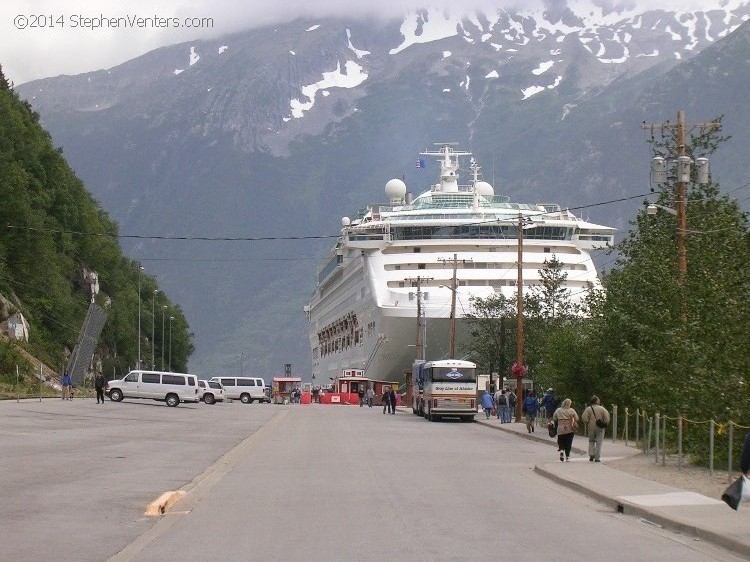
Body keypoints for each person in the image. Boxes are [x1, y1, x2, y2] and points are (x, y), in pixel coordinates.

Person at [581, 395, 611, 462]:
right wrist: (605, 423)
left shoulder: (588, 409)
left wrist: (587, 423)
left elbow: (584, 417)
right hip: (600, 428)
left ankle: (591, 455)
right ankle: (597, 458)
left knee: (591, 441)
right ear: (597, 401)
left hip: (591, 427)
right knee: (599, 442)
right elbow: (607, 418)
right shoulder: (602, 409)